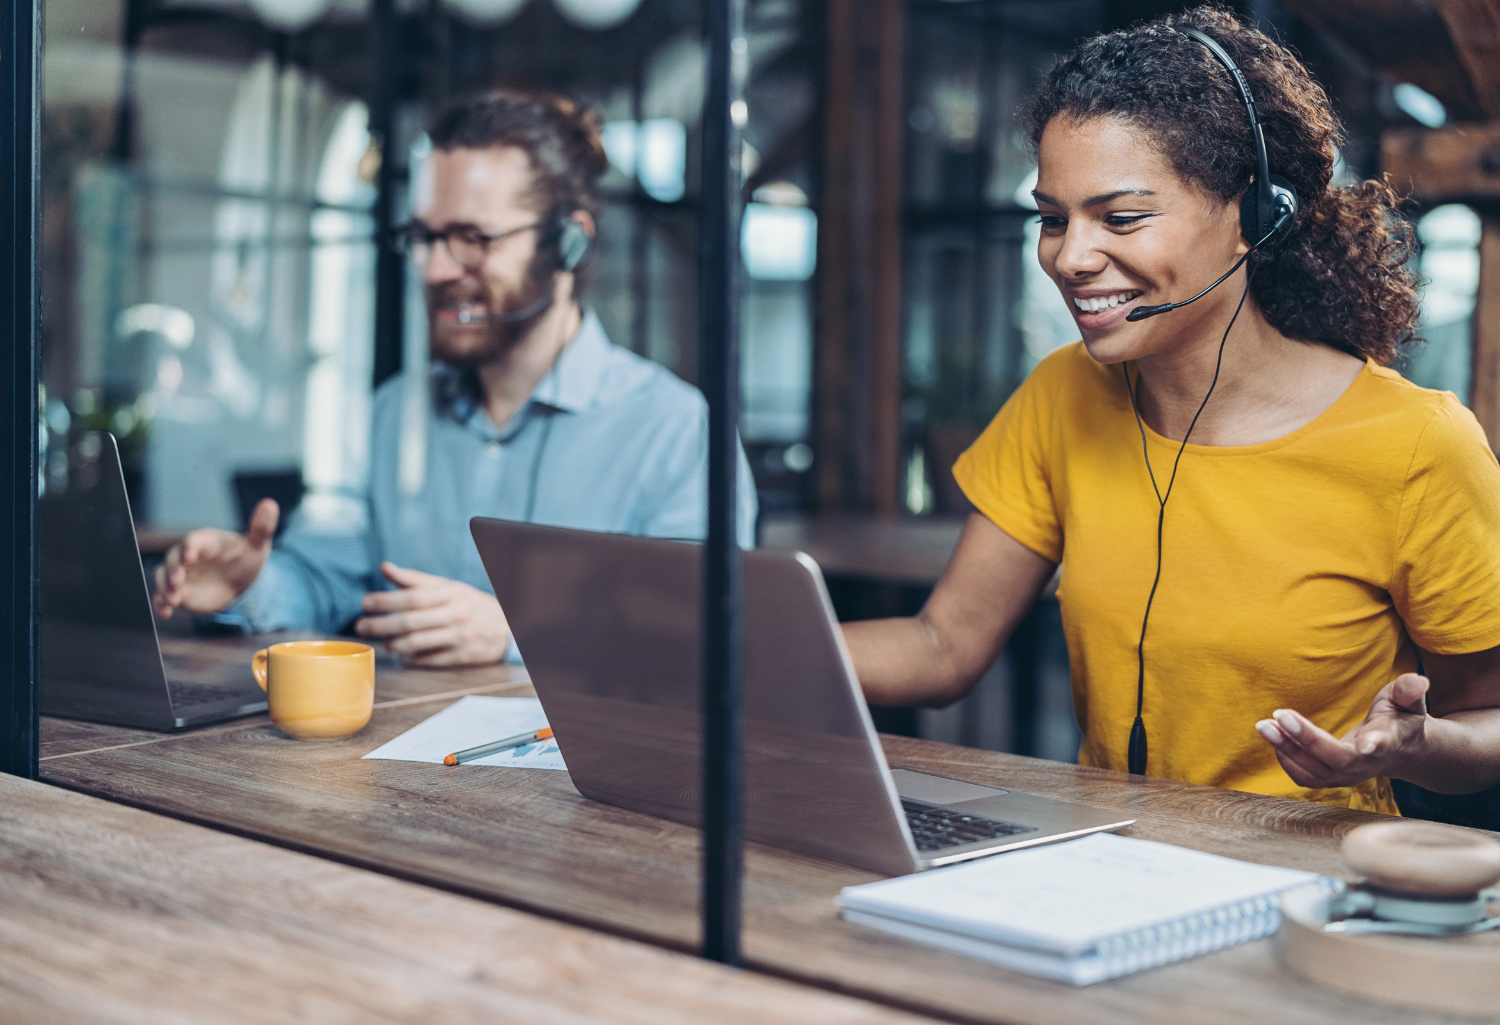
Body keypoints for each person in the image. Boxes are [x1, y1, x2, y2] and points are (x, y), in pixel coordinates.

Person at [845, 7, 1500, 814]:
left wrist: (1419, 743)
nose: (1070, 258)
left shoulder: (1415, 444)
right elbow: (942, 645)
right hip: (1101, 861)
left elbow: (1487, 719)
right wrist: (722, 640)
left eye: (1120, 217)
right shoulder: (1063, 394)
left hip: (1305, 893)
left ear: (1250, 217)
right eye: (1053, 218)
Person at [152, 89, 757, 666]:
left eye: (473, 239)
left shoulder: (676, 431)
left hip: (581, 774)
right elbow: (331, 582)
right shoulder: (394, 414)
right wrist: (250, 585)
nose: (438, 268)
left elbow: (701, 640)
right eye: (425, 237)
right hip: (402, 766)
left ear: (569, 243)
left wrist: (514, 634)